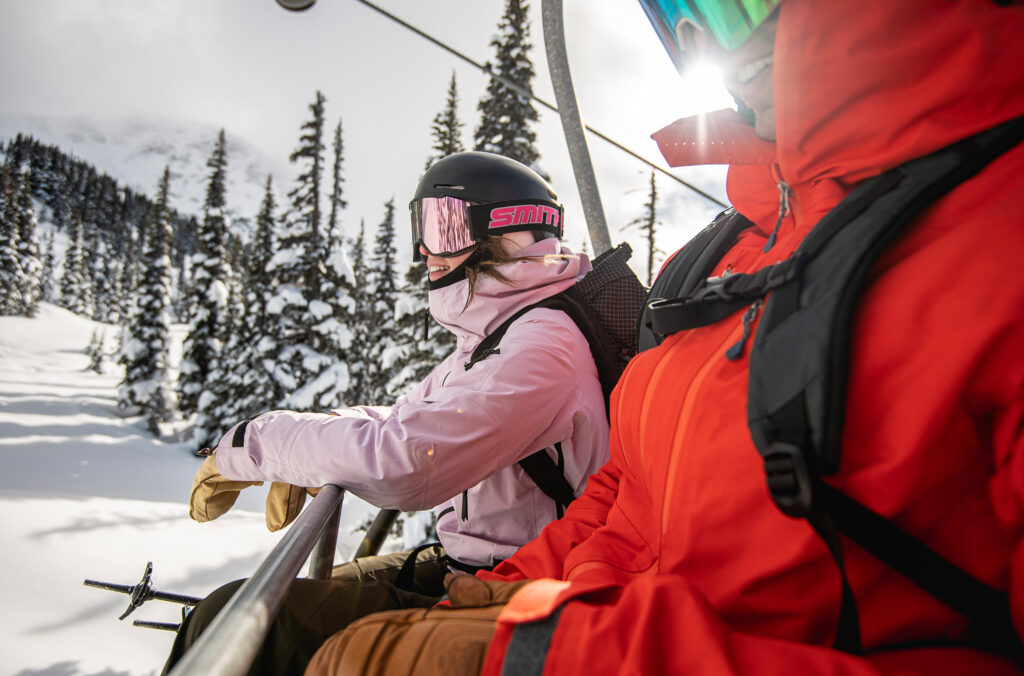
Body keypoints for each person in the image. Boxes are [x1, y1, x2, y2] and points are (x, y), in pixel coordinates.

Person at [304, 0, 1024, 674]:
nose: (697, 37)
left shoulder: (999, 237)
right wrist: (521, 587)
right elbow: (629, 491)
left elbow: (411, 452)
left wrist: (575, 656)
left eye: (731, 3)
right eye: (675, 9)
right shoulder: (720, 255)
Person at [161, 151, 611, 675]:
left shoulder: (541, 346)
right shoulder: (499, 335)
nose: (425, 250)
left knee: (241, 620)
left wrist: (260, 444)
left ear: (514, 231)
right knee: (277, 598)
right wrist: (312, 444)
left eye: (444, 226)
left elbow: (406, 461)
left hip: (516, 593)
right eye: (422, 226)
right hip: (470, 567)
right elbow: (406, 417)